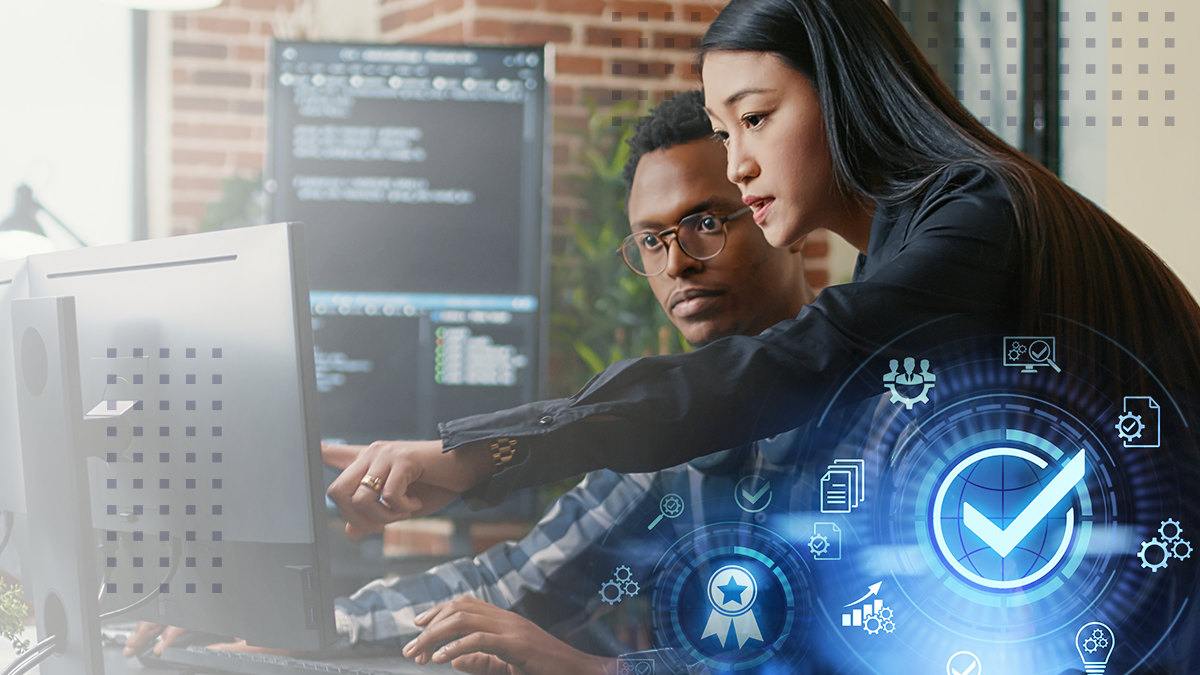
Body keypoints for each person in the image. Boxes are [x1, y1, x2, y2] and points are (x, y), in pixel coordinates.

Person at [325, 0, 1200, 529]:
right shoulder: (916, 236)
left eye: (755, 119)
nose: (737, 165)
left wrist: (484, 451)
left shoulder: (979, 219)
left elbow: (794, 363)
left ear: (846, 93)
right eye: (721, 130)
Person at [125, 90, 819, 673]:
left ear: (769, 207)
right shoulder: (670, 432)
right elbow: (510, 579)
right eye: (651, 239)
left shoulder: (884, 405)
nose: (676, 264)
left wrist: (586, 668)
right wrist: (284, 630)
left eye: (703, 223)